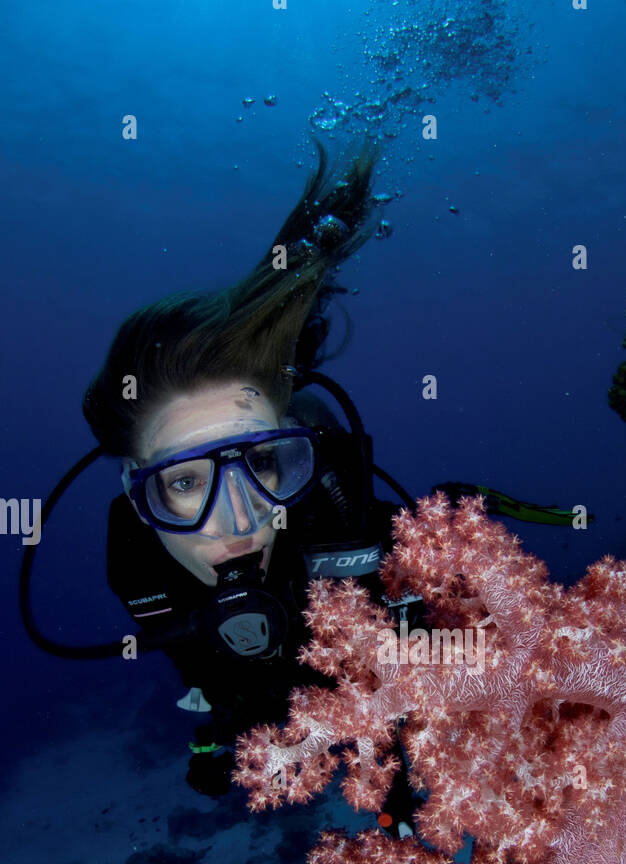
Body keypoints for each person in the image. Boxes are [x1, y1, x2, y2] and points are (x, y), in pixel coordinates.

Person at [79, 139, 417, 829]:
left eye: (261, 466)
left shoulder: (336, 514)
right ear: (135, 491)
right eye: (182, 483)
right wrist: (214, 732)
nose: (235, 520)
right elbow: (196, 667)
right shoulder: (136, 565)